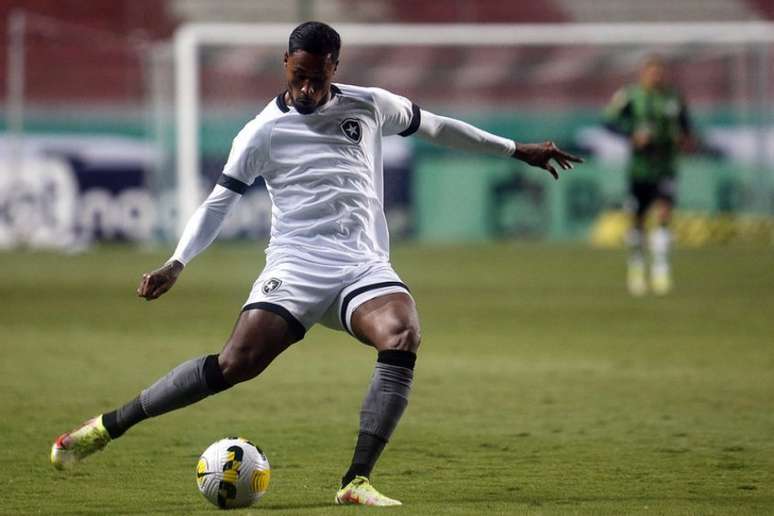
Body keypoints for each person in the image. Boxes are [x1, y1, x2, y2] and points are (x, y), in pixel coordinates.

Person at [50, 21, 582, 506]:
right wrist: (176, 262)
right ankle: (107, 426)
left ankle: (356, 480)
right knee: (236, 365)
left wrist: (517, 149)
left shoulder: (371, 105)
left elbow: (439, 127)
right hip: (296, 266)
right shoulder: (260, 132)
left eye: (317, 79)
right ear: (285, 64)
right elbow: (219, 201)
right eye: (298, 76)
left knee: (402, 334)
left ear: (335, 68)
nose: (306, 89)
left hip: (363, 266)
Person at [604, 54, 693, 296]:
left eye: (659, 72)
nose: (656, 77)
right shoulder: (630, 97)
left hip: (666, 166)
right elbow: (608, 122)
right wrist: (632, 134)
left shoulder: (674, 98)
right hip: (639, 168)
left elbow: (686, 127)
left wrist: (685, 139)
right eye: (652, 72)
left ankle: (661, 269)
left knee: (664, 212)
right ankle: (636, 267)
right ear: (643, 74)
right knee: (638, 218)